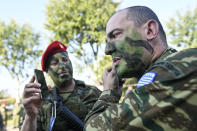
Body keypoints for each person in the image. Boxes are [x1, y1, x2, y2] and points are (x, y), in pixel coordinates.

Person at [85, 6, 197, 131]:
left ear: (150, 30)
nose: (107, 50)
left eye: (116, 35)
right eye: (107, 41)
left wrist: (109, 92)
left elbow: (93, 129)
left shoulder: (177, 68)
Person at [21, 41, 101, 131]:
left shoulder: (93, 92)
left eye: (65, 60)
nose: (62, 65)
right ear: (47, 72)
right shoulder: (41, 102)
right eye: (55, 63)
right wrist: (30, 116)